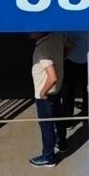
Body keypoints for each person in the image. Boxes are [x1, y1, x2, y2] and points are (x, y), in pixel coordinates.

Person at [28, 30, 68, 167]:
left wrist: (42, 91)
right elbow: (71, 45)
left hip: (46, 94)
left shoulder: (42, 50)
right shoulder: (57, 36)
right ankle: (62, 143)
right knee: (59, 118)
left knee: (46, 126)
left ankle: (48, 157)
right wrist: (61, 59)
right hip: (57, 89)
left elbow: (52, 77)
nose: (28, 32)